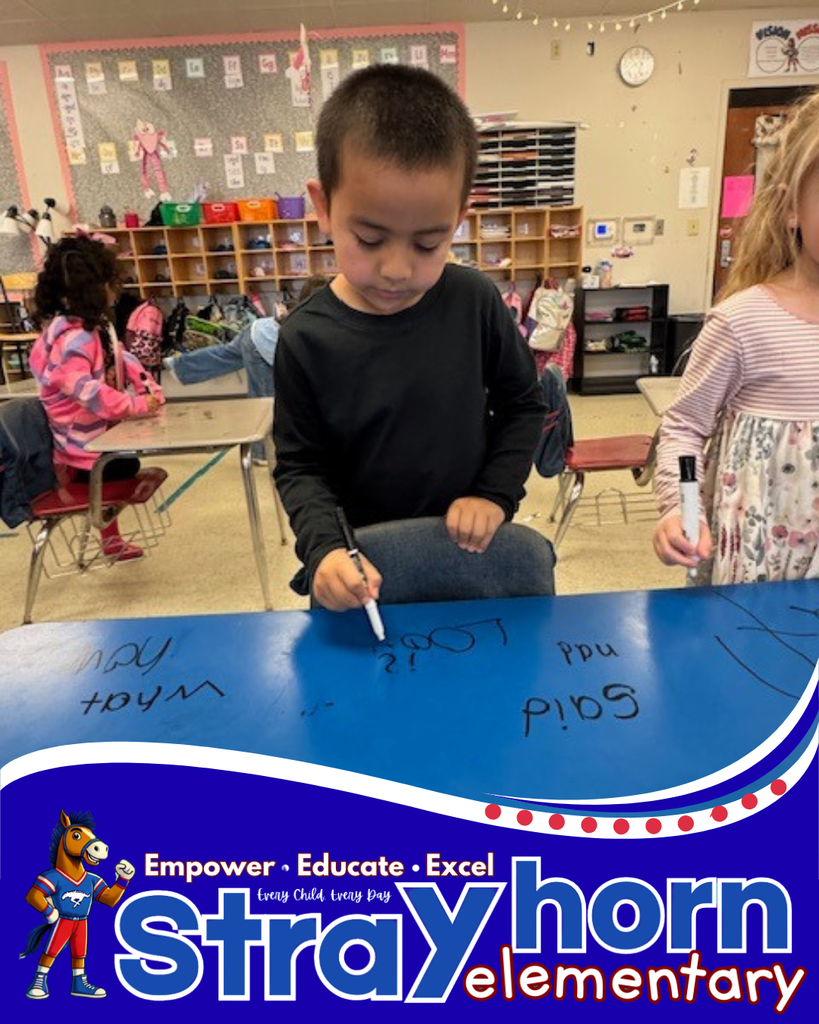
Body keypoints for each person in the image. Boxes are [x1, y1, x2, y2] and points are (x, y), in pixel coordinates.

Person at [273, 64, 549, 612]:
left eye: (427, 244)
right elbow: (301, 466)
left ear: (459, 218)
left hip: (469, 557)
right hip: (363, 573)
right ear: (323, 207)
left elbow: (523, 405)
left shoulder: (474, 300)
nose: (397, 269)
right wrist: (324, 549)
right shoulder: (306, 337)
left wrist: (494, 494)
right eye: (369, 238)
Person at [653, 90, 819, 585]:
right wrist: (682, 509)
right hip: (761, 570)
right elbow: (684, 428)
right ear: (791, 207)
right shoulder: (742, 321)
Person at [29, 234, 165, 561]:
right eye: (111, 282)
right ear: (96, 288)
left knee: (123, 460)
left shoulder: (90, 328)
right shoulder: (74, 338)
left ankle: (111, 539)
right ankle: (108, 535)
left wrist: (148, 388)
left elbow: (120, 357)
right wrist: (133, 405)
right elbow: (85, 389)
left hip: (93, 434)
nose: (115, 290)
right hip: (79, 443)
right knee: (124, 464)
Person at [162, 276, 329, 462]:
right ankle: (259, 453)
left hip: (256, 329)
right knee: (265, 401)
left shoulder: (306, 313)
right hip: (260, 344)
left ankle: (179, 366)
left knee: (226, 355)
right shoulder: (309, 319)